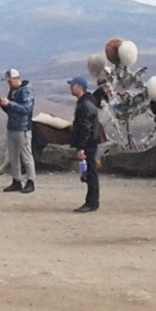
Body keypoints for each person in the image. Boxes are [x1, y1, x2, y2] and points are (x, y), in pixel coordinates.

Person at [0, 68, 36, 193]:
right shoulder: (13, 91)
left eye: (10, 81)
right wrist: (5, 106)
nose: (8, 84)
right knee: (13, 155)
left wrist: (10, 104)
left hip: (23, 127)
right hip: (12, 126)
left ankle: (31, 180)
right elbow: (11, 110)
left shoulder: (27, 91)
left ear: (16, 79)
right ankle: (16, 180)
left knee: (26, 155)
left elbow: (26, 109)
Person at [68, 76, 100, 213]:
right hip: (91, 141)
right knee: (90, 172)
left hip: (89, 144)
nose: (70, 87)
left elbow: (85, 127)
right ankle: (92, 201)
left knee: (90, 173)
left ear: (80, 87)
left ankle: (92, 202)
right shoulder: (88, 101)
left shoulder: (85, 105)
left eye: (73, 85)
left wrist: (81, 147)